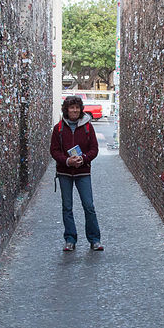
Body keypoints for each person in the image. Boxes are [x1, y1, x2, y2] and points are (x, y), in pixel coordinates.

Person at [49, 95, 102, 251]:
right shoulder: (58, 128)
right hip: (64, 173)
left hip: (83, 172)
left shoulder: (88, 127)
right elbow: (54, 150)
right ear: (66, 109)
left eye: (77, 108)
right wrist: (67, 161)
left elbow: (94, 149)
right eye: (71, 107)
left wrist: (83, 159)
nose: (74, 110)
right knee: (67, 207)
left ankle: (94, 240)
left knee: (89, 206)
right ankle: (70, 240)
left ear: (80, 109)